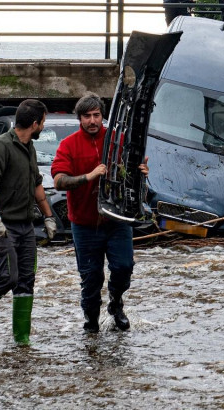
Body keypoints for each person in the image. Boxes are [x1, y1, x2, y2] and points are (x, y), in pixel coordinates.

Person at [51, 93, 148, 334]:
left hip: (116, 220)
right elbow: (59, 181)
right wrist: (89, 176)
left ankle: (116, 303)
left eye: (96, 115)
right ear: (79, 119)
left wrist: (142, 171)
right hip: (84, 224)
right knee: (91, 277)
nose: (92, 121)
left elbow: (133, 171)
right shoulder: (68, 145)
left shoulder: (118, 141)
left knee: (124, 266)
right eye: (87, 117)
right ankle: (91, 322)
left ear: (103, 116)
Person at [0, 99, 57, 346]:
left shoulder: (30, 148)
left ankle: (21, 337)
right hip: (2, 225)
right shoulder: (1, 146)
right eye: (43, 123)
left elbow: (36, 183)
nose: (43, 127)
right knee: (6, 278)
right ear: (35, 123)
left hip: (25, 226)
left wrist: (48, 216)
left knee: (26, 280)